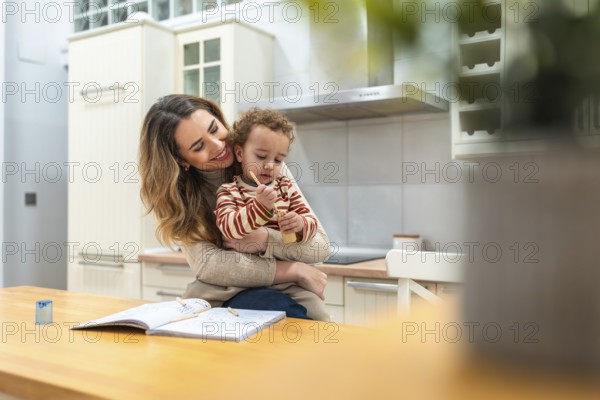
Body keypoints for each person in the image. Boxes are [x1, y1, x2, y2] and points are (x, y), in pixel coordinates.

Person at [138, 95, 331, 321]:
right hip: (222, 290)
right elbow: (210, 265)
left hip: (286, 288)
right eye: (199, 146)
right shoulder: (184, 194)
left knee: (319, 323)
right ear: (182, 161)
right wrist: (293, 270)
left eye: (214, 129)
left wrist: (265, 239)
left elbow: (319, 248)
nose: (219, 146)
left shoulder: (265, 163)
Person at [215, 108, 318, 244]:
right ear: (240, 153)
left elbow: (312, 224)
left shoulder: (285, 187)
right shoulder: (229, 192)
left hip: (283, 259)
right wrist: (260, 206)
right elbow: (229, 230)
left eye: (278, 160)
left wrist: (300, 224)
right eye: (261, 156)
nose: (270, 165)